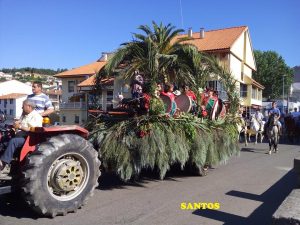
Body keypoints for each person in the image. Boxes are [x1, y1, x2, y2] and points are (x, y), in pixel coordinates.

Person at [0, 99, 43, 172]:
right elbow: (19, 123)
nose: (22, 108)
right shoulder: (24, 115)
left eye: (23, 106)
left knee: (14, 141)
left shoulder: (37, 116)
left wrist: (19, 127)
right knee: (4, 140)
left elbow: (34, 130)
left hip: (29, 139)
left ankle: (3, 162)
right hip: (20, 136)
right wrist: (14, 125)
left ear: (29, 106)